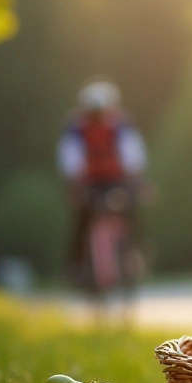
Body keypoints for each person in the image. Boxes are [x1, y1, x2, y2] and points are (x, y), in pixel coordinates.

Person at [56, 79, 147, 292]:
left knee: (131, 212)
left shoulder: (121, 126)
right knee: (82, 219)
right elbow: (70, 159)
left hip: (116, 180)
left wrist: (137, 182)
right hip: (89, 182)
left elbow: (133, 156)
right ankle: (76, 264)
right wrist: (76, 185)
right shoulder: (75, 128)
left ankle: (134, 253)